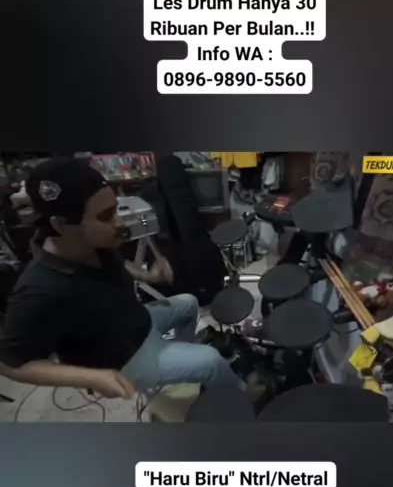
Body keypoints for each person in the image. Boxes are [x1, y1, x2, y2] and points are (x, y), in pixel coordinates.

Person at [0, 158, 244, 401]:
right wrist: (92, 378)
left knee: (189, 302)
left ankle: (184, 359)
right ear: (62, 225)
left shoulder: (92, 242)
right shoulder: (38, 289)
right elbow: (10, 364)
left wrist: (148, 276)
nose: (119, 222)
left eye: (116, 209)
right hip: (124, 360)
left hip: (134, 322)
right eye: (106, 216)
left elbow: (118, 263)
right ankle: (237, 399)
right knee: (211, 361)